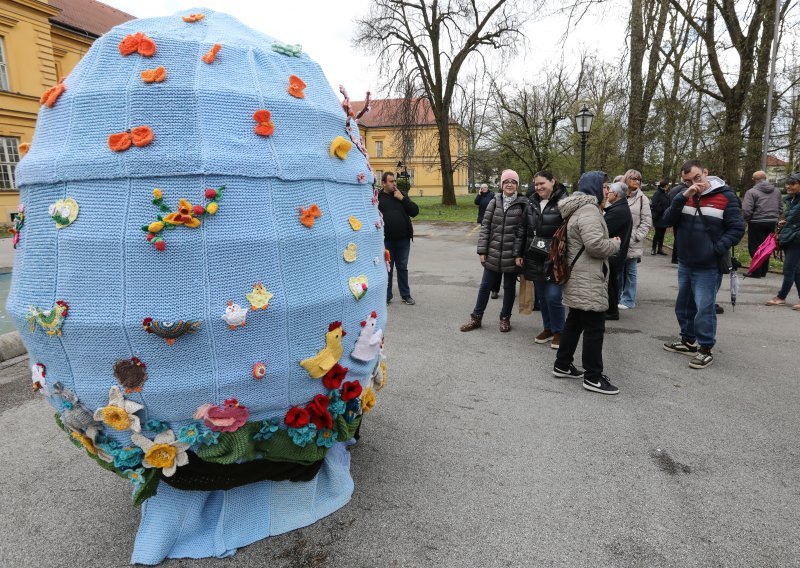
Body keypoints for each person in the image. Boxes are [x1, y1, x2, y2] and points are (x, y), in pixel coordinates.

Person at [661, 160, 744, 369]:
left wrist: (715, 249)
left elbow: (736, 229)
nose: (693, 183)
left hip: (708, 265)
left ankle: (706, 347)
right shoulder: (684, 195)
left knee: (704, 308)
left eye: (697, 178)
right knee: (684, 304)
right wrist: (682, 196)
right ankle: (687, 340)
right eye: (687, 180)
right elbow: (666, 220)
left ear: (706, 172)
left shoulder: (726, 196)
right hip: (686, 261)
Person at [551, 171, 621, 395]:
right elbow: (595, 246)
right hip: (588, 278)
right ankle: (593, 376)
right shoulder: (589, 210)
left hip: (578, 276)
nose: (607, 191)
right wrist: (614, 243)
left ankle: (562, 364)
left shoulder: (577, 208)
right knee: (594, 328)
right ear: (594, 188)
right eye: (604, 187)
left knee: (574, 323)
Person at [460, 169, 528, 332]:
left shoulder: (523, 204)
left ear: (517, 185)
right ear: (501, 185)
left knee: (509, 288)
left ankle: (505, 318)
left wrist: (519, 254)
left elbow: (523, 232)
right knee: (485, 286)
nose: (509, 184)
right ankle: (476, 318)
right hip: (493, 252)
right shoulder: (494, 201)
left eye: (513, 182)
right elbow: (486, 228)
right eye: (506, 182)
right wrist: (482, 250)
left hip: (512, 255)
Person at [513, 170, 568, 349]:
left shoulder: (564, 203)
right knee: (542, 298)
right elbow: (522, 229)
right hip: (534, 255)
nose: (538, 187)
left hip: (554, 258)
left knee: (553, 297)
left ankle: (560, 331)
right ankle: (548, 328)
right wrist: (518, 254)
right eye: (536, 184)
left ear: (552, 182)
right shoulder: (531, 202)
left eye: (542, 183)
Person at [378, 171, 419, 305]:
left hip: (403, 239)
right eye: (391, 181)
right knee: (387, 268)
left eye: (394, 181)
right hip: (386, 240)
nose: (394, 183)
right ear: (383, 183)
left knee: (402, 267)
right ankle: (386, 296)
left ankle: (405, 295)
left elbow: (414, 212)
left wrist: (402, 198)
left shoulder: (401, 195)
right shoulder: (378, 198)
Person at [618, 169, 652, 310]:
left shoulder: (642, 199)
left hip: (632, 241)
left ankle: (628, 299)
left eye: (639, 179)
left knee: (630, 271)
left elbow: (646, 222)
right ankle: (617, 296)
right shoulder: (619, 195)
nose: (637, 182)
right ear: (626, 180)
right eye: (634, 179)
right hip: (618, 239)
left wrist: (636, 237)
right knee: (618, 271)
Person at [766, 173, 800, 309]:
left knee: (789, 268)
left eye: (792, 183)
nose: (788, 186)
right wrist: (785, 222)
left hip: (795, 239)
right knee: (796, 270)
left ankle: (781, 297)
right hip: (790, 237)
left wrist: (795, 233)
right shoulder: (792, 200)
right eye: (788, 183)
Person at [742, 170, 782, 278]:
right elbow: (780, 207)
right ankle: (763, 271)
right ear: (766, 177)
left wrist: (748, 219)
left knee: (755, 247)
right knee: (767, 247)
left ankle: (756, 271)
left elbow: (746, 209)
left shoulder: (751, 192)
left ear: (754, 180)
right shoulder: (777, 191)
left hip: (756, 222)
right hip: (772, 222)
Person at [602, 181, 633, 320]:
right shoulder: (620, 208)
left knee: (611, 283)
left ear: (615, 194)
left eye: (609, 191)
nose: (607, 193)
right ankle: (611, 310)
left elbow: (604, 230)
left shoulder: (618, 211)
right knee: (612, 282)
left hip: (614, 253)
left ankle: (611, 311)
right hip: (617, 252)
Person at [474, 183, 501, 299]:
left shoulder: (492, 196)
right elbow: (476, 202)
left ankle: (503, 289)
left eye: (485, 187)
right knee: (494, 268)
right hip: (484, 219)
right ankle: (494, 289)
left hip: (499, 230)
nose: (483, 188)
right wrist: (482, 250)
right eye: (482, 187)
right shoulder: (481, 196)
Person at [667, 182, 686, 264]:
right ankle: (677, 257)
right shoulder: (684, 190)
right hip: (681, 216)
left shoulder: (673, 189)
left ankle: (674, 257)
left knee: (676, 236)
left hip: (673, 214)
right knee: (679, 237)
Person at [650, 179, 670, 255]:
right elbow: (654, 205)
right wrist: (662, 210)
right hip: (658, 217)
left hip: (664, 217)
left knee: (662, 233)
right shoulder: (657, 193)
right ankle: (653, 248)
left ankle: (660, 249)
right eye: (667, 185)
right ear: (665, 186)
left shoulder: (665, 193)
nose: (668, 186)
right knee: (657, 233)